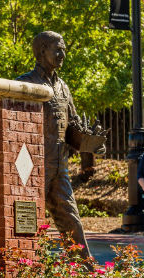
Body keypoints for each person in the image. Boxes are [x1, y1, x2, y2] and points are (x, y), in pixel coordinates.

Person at [17, 31, 91, 259]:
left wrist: (90, 140)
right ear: (42, 51)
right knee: (27, 220)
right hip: (32, 165)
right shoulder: (25, 83)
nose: (62, 54)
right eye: (57, 49)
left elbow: (73, 125)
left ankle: (84, 272)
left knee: (71, 219)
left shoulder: (63, 87)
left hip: (60, 165)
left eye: (64, 49)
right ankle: (25, 267)